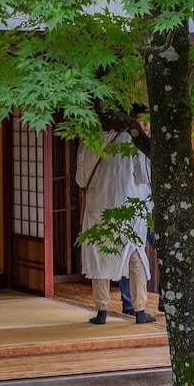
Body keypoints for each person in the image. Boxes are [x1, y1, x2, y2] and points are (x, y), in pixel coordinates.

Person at [74, 129, 157, 324]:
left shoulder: (88, 141)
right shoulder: (131, 140)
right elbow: (144, 176)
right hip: (130, 206)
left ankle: (101, 310)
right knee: (134, 254)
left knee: (99, 257)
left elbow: (81, 180)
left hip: (98, 207)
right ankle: (140, 310)